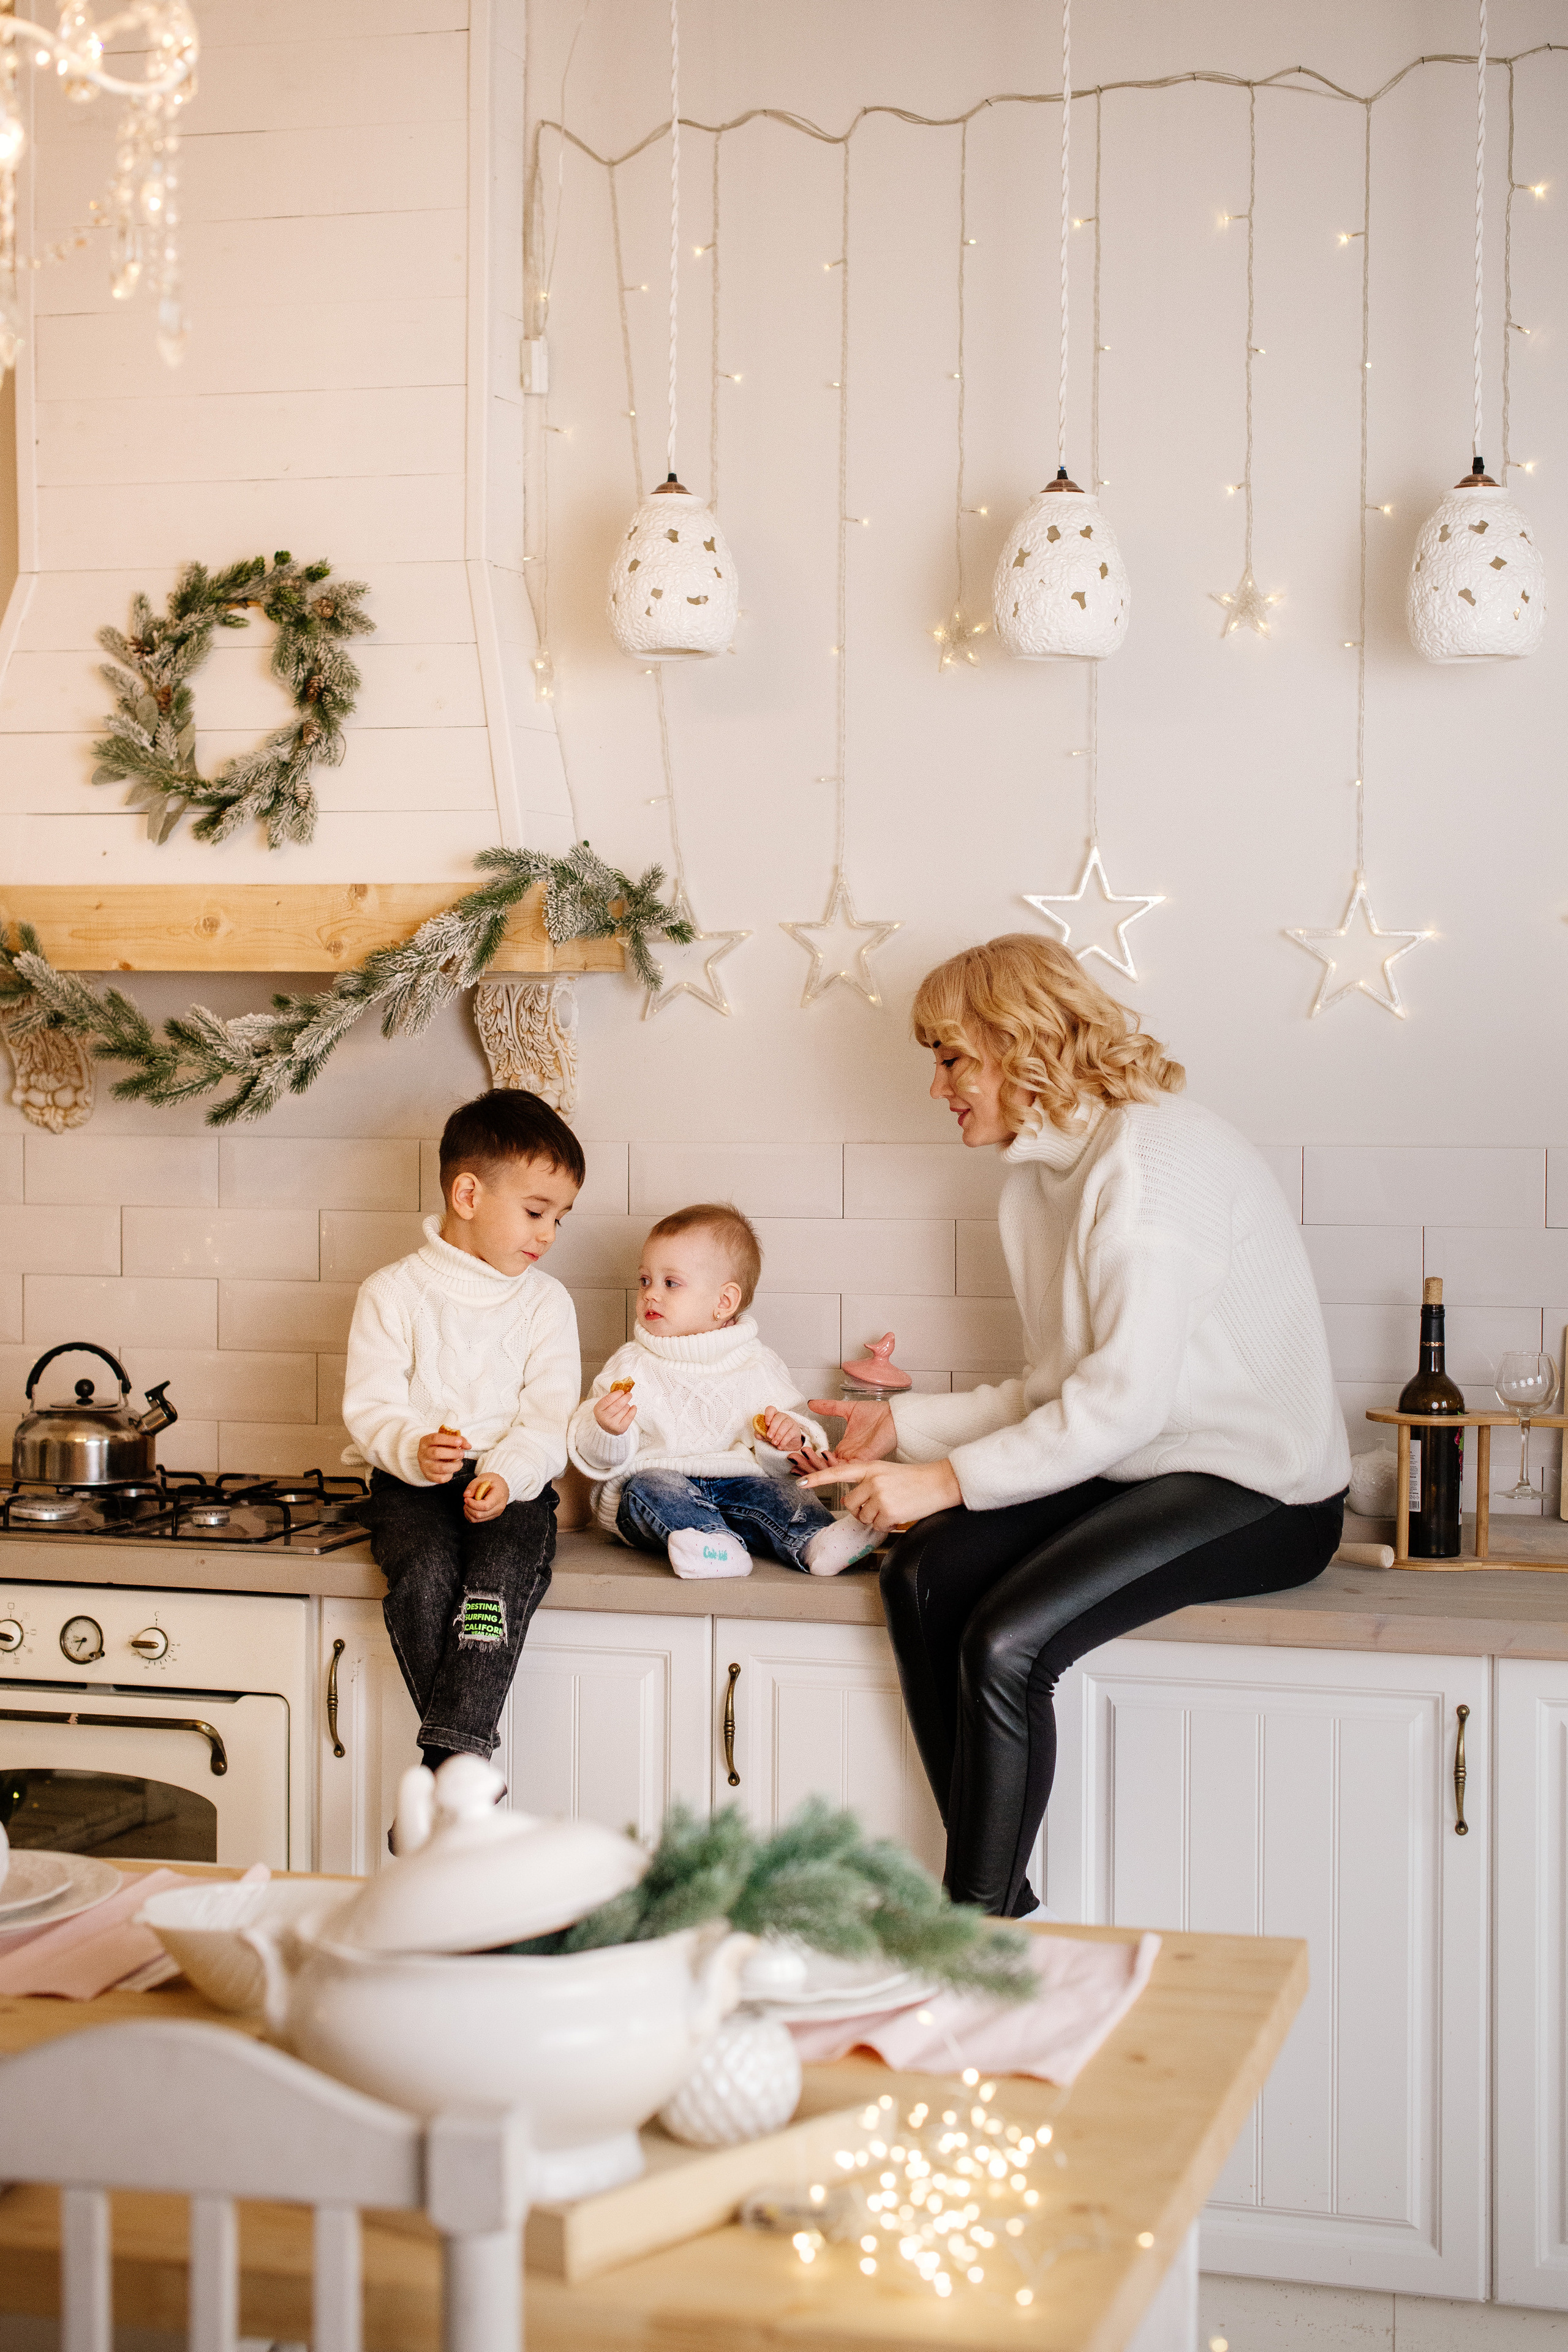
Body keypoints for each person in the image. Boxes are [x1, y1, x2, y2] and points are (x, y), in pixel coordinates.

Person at [802, 935, 1348, 1920]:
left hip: (1262, 1488)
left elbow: (1124, 1406)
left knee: (1007, 1641)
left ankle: (967, 1937)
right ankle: (997, 1911)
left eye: (952, 1056)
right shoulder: (1035, 1181)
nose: (938, 1086)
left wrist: (945, 1482)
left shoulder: (1151, 1163)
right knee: (923, 1579)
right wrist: (904, 1428)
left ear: (1019, 1044)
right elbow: (1059, 1391)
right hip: (1143, 1465)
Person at [341, 1088, 582, 1770]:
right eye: (536, 1212)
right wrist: (414, 1448)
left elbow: (548, 1416)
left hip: (512, 1485)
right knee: (422, 1576)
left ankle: (447, 1770)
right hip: (411, 1486)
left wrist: (506, 1474)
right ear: (468, 1195)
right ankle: (465, 1772)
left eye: (560, 1218)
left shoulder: (546, 1304)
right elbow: (370, 1406)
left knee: (491, 1589)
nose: (549, 1235)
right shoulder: (392, 1293)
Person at [568, 1202, 877, 1580]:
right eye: (645, 1280)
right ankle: (714, 1546)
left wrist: (785, 1439)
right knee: (647, 1488)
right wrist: (606, 1429)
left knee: (783, 1495)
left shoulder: (757, 1363)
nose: (650, 1294)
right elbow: (596, 1456)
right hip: (661, 1490)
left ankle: (818, 1542)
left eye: (671, 1283)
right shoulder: (631, 1364)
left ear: (724, 1302)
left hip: (740, 1485)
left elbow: (791, 1452)